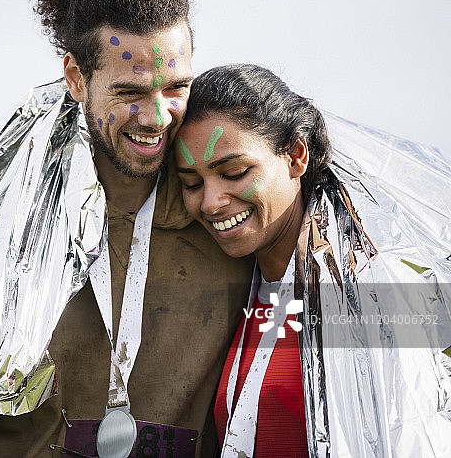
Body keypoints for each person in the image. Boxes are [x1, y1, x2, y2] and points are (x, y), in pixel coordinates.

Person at [0, 0, 252, 457]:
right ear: (77, 79)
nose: (156, 117)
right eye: (128, 92)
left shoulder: (227, 213)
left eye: (175, 89)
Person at [174, 64, 451, 457]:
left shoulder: (367, 296)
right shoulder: (251, 295)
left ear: (296, 156)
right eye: (192, 183)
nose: (211, 201)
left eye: (234, 172)